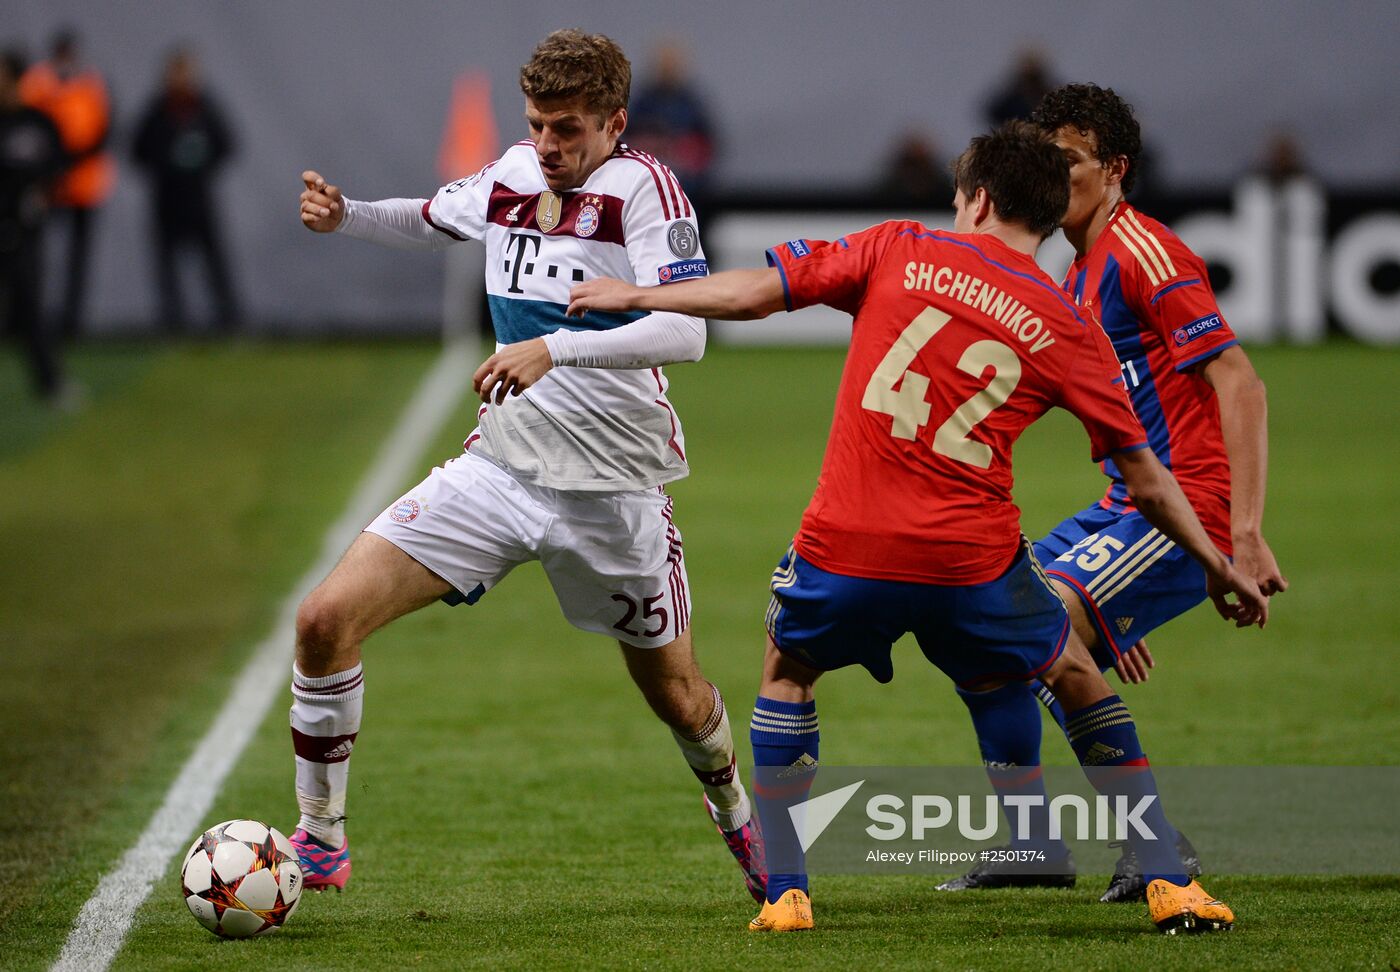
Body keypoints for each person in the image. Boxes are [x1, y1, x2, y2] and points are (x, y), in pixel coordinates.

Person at [566, 121, 1266, 935]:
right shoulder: (1067, 323)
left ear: (977, 198)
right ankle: (1167, 882)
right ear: (1043, 217)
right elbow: (1147, 479)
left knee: (788, 671)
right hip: (971, 562)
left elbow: (755, 293)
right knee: (1072, 673)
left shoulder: (899, 246)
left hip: (846, 545)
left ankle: (788, 895)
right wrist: (1218, 561)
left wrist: (639, 296)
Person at [288, 29, 764, 904]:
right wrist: (347, 213)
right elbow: (432, 218)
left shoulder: (643, 191)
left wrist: (556, 347)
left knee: (680, 697)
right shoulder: (512, 174)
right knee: (323, 621)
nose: (548, 146)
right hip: (502, 471)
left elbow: (687, 330)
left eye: (568, 129)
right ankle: (319, 837)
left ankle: (739, 813)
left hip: (615, 492)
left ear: (616, 122)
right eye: (539, 125)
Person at [940, 83, 1288, 903]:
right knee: (979, 626)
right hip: (1128, 509)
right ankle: (1033, 844)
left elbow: (1240, 384)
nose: (1057, 176)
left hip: (1187, 505)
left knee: (1047, 625)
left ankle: (1156, 846)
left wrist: (1242, 531)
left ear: (1117, 169)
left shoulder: (1145, 253)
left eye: (1072, 161)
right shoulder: (1082, 269)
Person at [132, 46, 240, 332]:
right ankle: (173, 324)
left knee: (215, 264)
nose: (181, 78)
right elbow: (137, 150)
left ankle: (230, 323)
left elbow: (227, 144)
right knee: (167, 267)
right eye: (176, 72)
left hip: (199, 199)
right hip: (168, 200)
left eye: (186, 72)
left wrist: (200, 166)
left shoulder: (204, 107)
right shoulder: (158, 109)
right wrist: (166, 165)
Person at [19, 29, 113, 337]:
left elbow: (104, 129)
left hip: (83, 183)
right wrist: (53, 164)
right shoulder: (38, 83)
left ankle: (73, 321)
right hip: (48, 183)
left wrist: (72, 159)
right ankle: (32, 319)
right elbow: (29, 126)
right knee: (34, 256)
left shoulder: (91, 82)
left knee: (77, 258)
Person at [0, 49, 70, 404]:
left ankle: (50, 383)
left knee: (30, 305)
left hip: (25, 231)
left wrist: (43, 193)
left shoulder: (37, 122)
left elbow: (59, 165)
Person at [625, 41, 716, 208]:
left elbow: (707, 144)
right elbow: (628, 140)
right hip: (647, 185)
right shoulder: (642, 103)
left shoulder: (691, 105)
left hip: (688, 188)